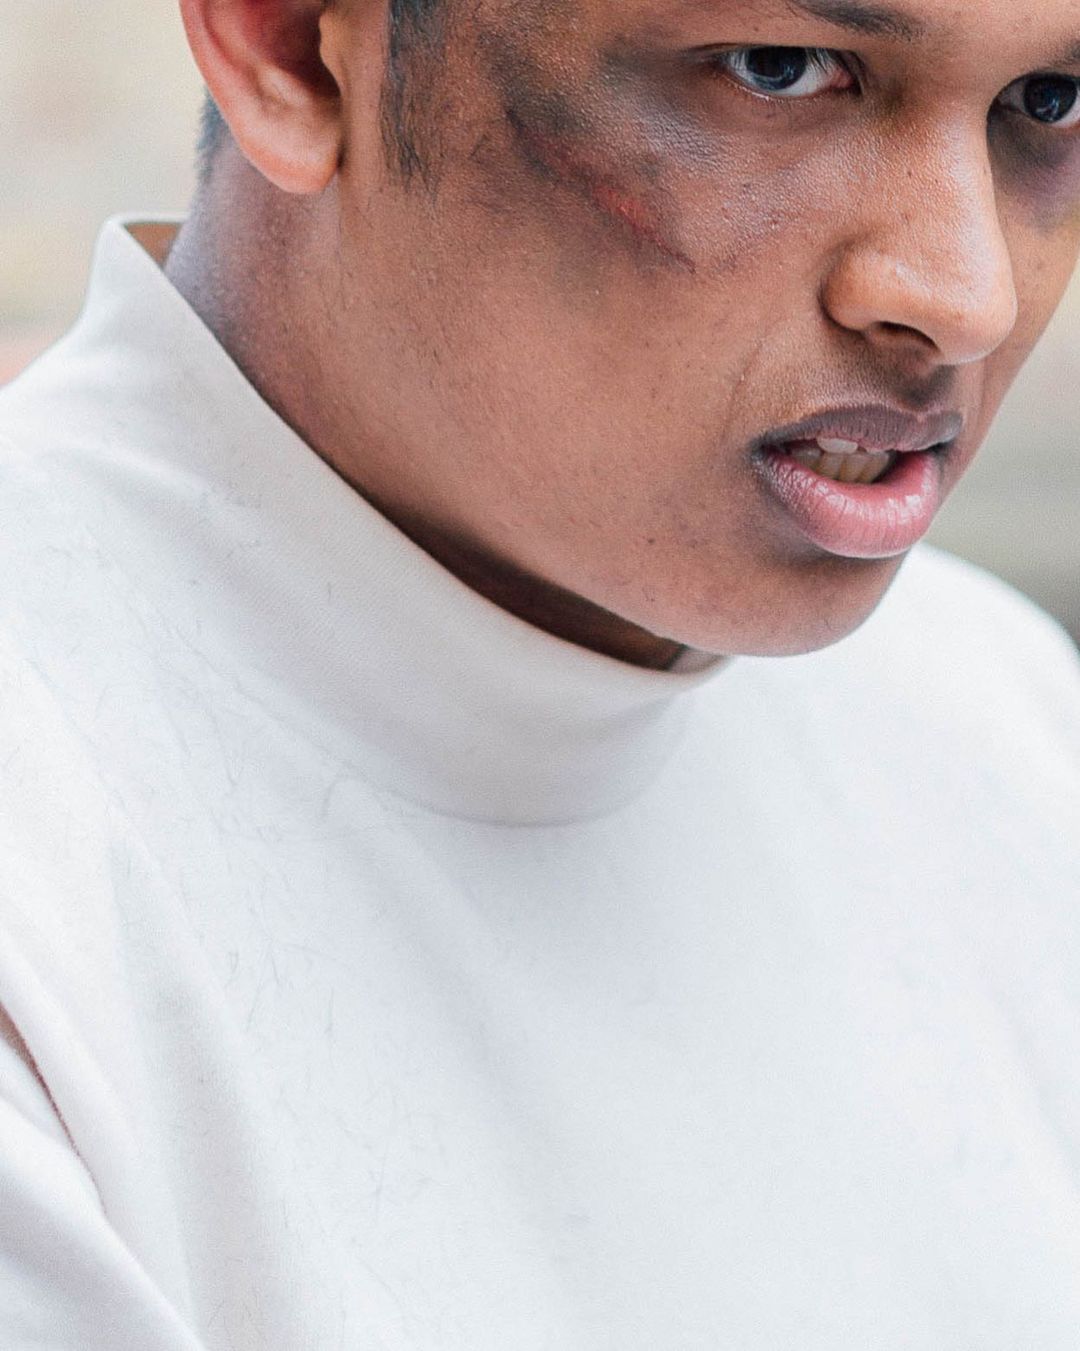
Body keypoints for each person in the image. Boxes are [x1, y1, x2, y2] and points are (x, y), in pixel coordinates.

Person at [2, 0, 1080, 1345]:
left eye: (1049, 103)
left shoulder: (998, 720)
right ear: (291, 49)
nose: (967, 296)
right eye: (778, 71)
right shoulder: (46, 884)